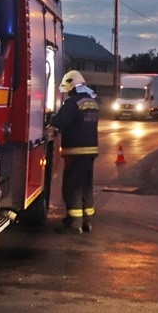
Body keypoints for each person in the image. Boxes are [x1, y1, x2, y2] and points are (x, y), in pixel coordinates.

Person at [50, 70, 100, 234]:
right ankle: (87, 222)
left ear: (72, 86)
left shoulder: (73, 103)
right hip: (90, 152)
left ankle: (74, 224)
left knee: (72, 187)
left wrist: (50, 117)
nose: (68, 93)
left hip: (76, 152)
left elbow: (61, 121)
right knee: (86, 186)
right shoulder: (92, 102)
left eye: (68, 89)